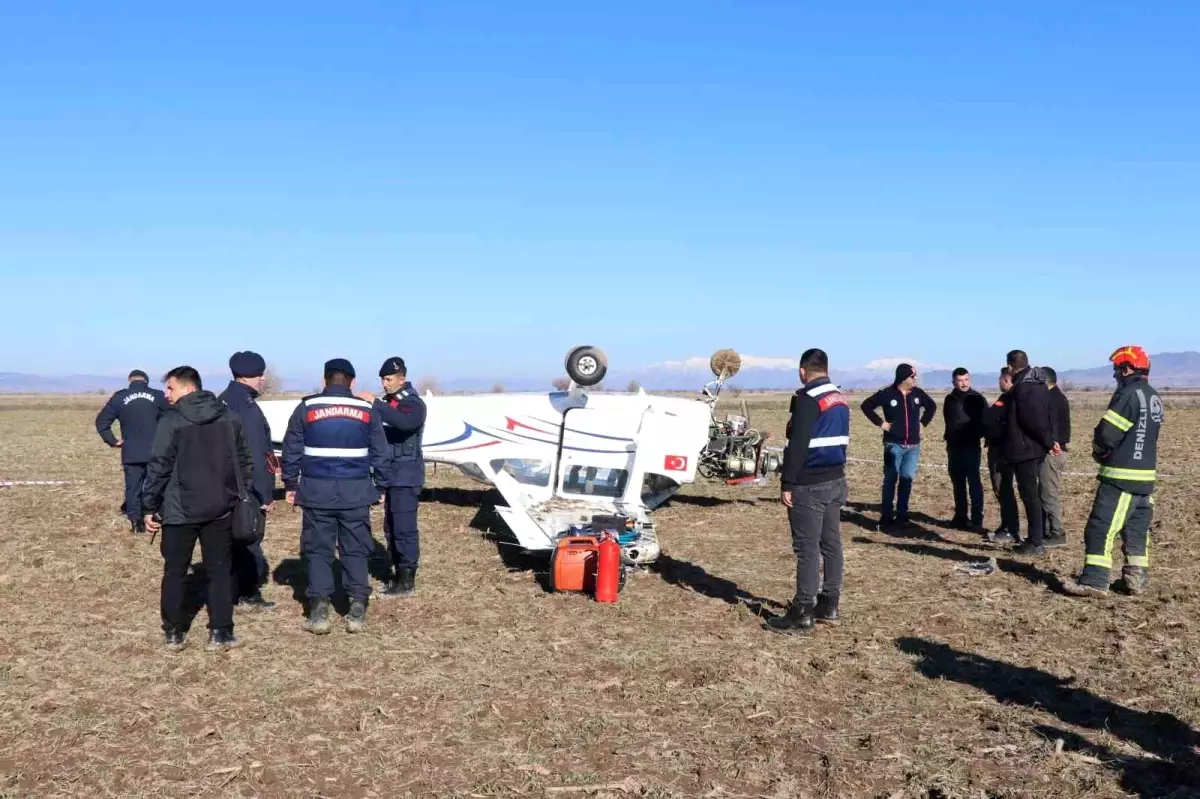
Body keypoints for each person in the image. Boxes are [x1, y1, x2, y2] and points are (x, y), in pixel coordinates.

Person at [142, 366, 252, 651]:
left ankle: (174, 632)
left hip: (180, 511)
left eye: (170, 388)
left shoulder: (172, 421)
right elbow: (244, 462)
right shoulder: (229, 416)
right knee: (219, 570)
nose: (166, 394)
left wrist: (149, 506)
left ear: (188, 388)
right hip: (221, 507)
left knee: (175, 570)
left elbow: (158, 467)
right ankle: (221, 632)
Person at [281, 358, 392, 634]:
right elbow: (381, 452)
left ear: (324, 380)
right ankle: (356, 608)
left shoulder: (306, 408)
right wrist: (381, 487)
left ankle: (319, 611)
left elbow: (291, 449)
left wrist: (290, 485)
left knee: (318, 550)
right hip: (355, 491)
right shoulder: (366, 409)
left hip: (317, 491)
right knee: (355, 547)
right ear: (352, 382)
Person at [1064, 346, 1164, 597]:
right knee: (1136, 531)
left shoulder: (1129, 394)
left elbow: (1106, 433)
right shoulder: (1152, 396)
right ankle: (1135, 580)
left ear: (1128, 368)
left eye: (1117, 369)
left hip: (1121, 476)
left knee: (1100, 527)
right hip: (1145, 478)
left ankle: (1094, 581)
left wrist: (1100, 452)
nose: (1115, 375)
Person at [768, 348, 849, 633]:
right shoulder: (839, 398)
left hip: (809, 484)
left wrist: (787, 483)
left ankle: (803, 610)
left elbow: (798, 444)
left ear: (803, 372)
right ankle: (830, 603)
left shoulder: (806, 399)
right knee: (831, 544)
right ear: (826, 369)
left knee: (807, 549)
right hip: (836, 480)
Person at [358, 357, 427, 598]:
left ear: (402, 379)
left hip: (407, 475)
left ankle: (407, 580)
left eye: (388, 379)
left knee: (404, 528)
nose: (384, 384)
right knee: (392, 527)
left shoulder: (413, 404)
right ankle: (397, 575)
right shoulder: (390, 403)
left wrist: (376, 404)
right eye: (383, 379)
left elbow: (405, 423)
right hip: (392, 474)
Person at [217, 351, 277, 611]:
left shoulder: (222, 401)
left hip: (223, 483)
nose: (262, 379)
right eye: (258, 374)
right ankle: (248, 594)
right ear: (244, 376)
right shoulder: (247, 408)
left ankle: (228, 589)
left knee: (229, 538)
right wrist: (265, 494)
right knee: (249, 536)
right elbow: (257, 452)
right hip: (246, 487)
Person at [861, 363, 937, 528]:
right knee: (890, 480)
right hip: (893, 445)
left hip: (913, 446)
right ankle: (886, 517)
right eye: (912, 376)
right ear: (903, 378)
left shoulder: (918, 393)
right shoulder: (887, 394)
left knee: (906, 480)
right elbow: (866, 406)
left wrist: (923, 423)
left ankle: (902, 515)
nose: (915, 379)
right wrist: (881, 423)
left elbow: (932, 406)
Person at [1002, 350, 1059, 556]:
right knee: (1033, 494)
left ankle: (1035, 542)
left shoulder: (1023, 388)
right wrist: (1049, 440)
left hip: (1025, 448)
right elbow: (1048, 414)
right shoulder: (1040, 384)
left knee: (1030, 496)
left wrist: (1048, 440)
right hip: (1037, 447)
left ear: (1010, 366)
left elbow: (1030, 419)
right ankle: (1037, 537)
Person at [95, 369, 167, 533]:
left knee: (133, 487)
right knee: (156, 484)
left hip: (131, 451)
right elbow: (173, 416)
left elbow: (101, 422)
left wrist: (112, 441)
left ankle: (136, 523)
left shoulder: (120, 397)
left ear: (130, 380)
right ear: (146, 381)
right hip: (156, 451)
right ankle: (155, 516)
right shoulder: (158, 396)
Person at [943, 367, 987, 532]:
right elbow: (948, 420)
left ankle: (977, 520)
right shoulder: (950, 399)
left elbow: (985, 421)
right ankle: (960, 517)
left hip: (971, 447)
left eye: (966, 380)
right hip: (954, 447)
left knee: (974, 483)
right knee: (957, 483)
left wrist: (975, 435)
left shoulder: (977, 398)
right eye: (960, 380)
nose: (964, 383)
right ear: (954, 381)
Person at [982, 368, 1020, 543]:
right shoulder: (1013, 397)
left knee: (1003, 488)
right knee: (1002, 490)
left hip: (1002, 450)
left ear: (1006, 380)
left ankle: (1010, 530)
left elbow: (989, 418)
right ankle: (1006, 526)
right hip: (1003, 448)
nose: (999, 382)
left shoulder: (1008, 398)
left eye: (1000, 379)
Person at [1040, 367, 1071, 548]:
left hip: (1053, 452)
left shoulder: (1053, 400)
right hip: (1053, 449)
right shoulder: (1055, 397)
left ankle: (1057, 533)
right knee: (1044, 492)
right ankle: (1044, 531)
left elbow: (1050, 428)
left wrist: (1052, 443)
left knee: (1048, 493)